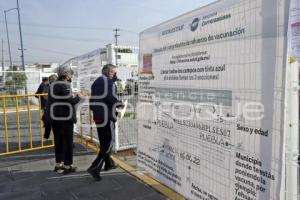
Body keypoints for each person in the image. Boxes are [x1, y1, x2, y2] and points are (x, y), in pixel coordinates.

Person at [44, 66, 87, 174]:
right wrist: (80, 96)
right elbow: (71, 101)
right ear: (66, 74)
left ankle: (59, 164)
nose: (72, 76)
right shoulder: (64, 84)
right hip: (64, 118)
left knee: (58, 142)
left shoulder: (53, 84)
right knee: (67, 142)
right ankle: (68, 165)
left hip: (54, 118)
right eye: (71, 74)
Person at [87, 64, 123, 181]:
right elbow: (111, 98)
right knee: (108, 143)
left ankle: (109, 164)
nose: (115, 75)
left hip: (98, 116)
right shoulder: (109, 82)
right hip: (106, 116)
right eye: (114, 73)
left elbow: (92, 100)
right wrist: (120, 104)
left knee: (104, 142)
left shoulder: (96, 81)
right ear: (110, 72)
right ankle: (95, 167)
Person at [43, 74, 58, 140]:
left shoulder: (48, 87)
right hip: (54, 109)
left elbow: (44, 95)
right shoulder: (54, 86)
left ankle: (47, 136)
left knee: (48, 122)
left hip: (49, 107)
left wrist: (48, 100)